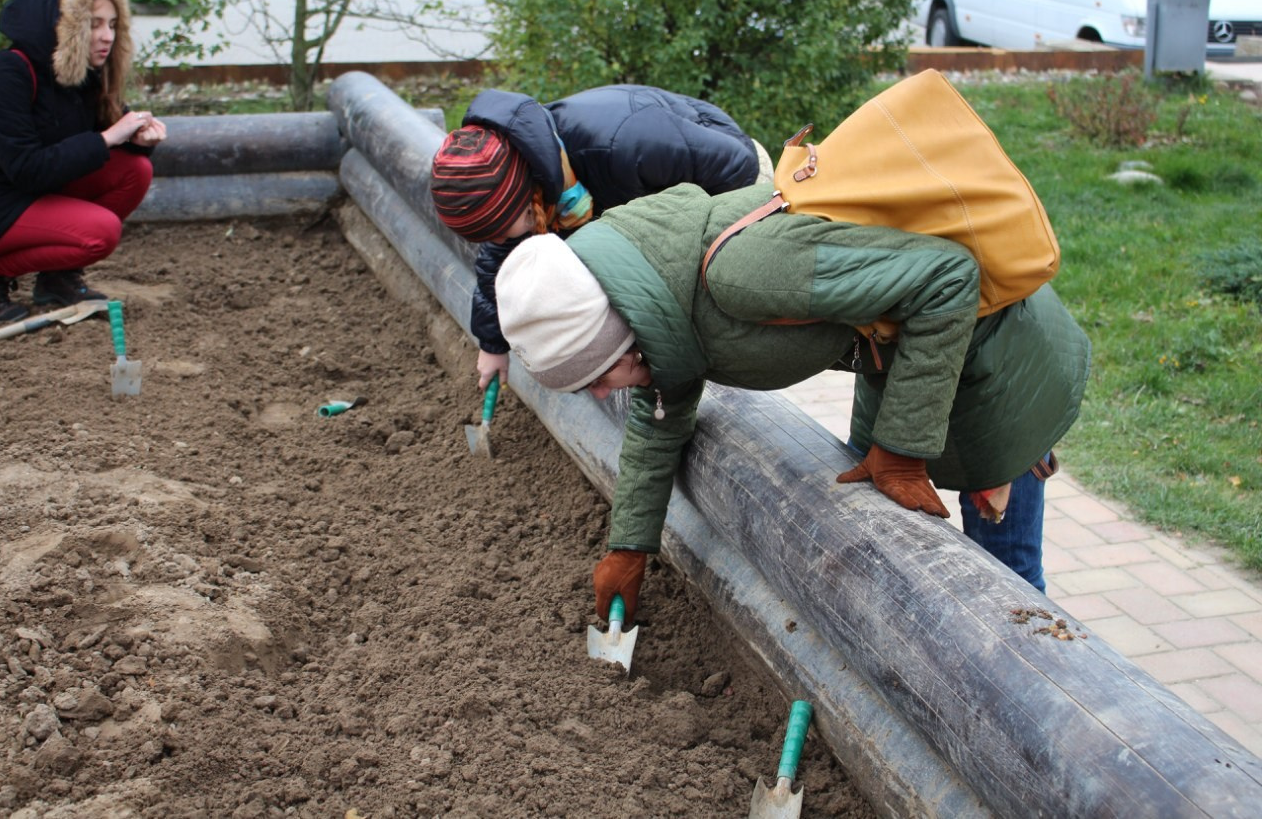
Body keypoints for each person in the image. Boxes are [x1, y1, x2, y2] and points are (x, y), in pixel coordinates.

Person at [493, 183, 1091, 622]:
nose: (603, 394)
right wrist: (629, 546)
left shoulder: (743, 274)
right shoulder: (657, 314)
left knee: (1009, 584)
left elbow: (948, 279)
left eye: (598, 377)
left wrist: (902, 451)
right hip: (905, 364)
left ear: (619, 332)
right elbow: (659, 417)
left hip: (994, 355)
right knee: (883, 531)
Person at [428, 85, 767, 390]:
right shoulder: (534, 182)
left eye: (499, 230)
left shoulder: (624, 145)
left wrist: (677, 267)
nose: (499, 240)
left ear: (524, 200)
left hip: (736, 183)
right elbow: (498, 261)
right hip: (648, 205)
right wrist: (492, 345)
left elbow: (739, 167)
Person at [0, 0, 167, 324]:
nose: (107, 36)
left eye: (112, 25)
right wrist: (108, 137)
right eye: (94, 24)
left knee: (135, 169)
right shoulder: (9, 72)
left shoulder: (83, 74)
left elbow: (108, 140)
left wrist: (139, 140)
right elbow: (26, 169)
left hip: (34, 194)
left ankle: (57, 278)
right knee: (100, 233)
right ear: (64, 25)